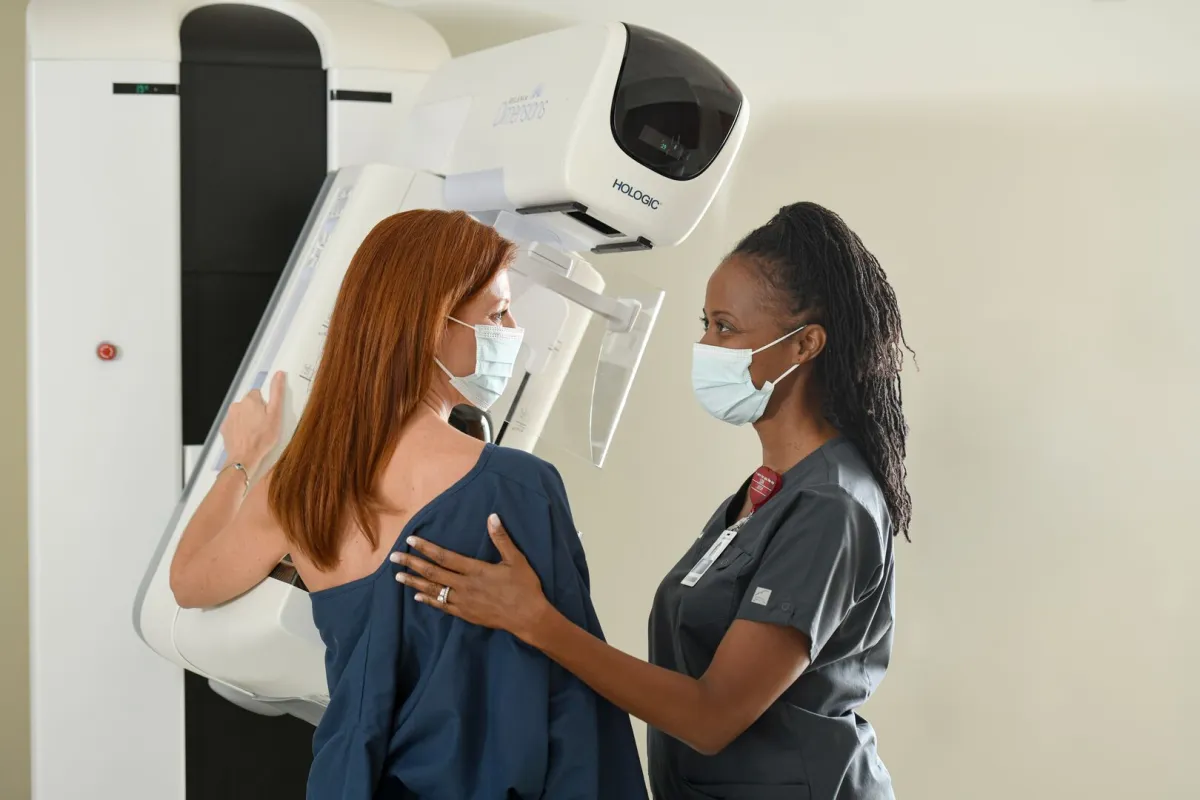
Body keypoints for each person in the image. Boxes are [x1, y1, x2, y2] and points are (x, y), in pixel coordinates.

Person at [392, 201, 913, 800]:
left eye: (724, 327)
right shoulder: (767, 491)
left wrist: (533, 619)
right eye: (706, 324)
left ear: (805, 345)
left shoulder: (832, 506)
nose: (705, 344)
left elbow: (710, 718)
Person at [167, 209, 648, 800]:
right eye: (496, 313)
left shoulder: (298, 487)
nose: (512, 326)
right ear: (431, 326)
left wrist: (244, 459)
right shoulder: (517, 488)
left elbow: (188, 582)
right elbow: (575, 710)